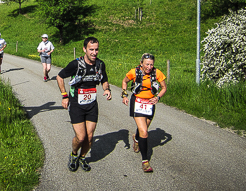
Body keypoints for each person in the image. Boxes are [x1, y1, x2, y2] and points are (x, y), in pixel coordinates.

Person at [57, 37, 112, 172]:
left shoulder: (100, 64)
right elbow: (59, 76)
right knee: (81, 137)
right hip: (76, 104)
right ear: (84, 49)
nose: (94, 52)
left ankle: (82, 157)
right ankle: (74, 154)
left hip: (92, 104)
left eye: (96, 49)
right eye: (91, 49)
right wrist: (64, 96)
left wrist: (106, 89)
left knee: (90, 136)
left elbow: (104, 79)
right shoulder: (75, 64)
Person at [121, 53, 167, 173]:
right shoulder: (134, 72)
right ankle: (145, 161)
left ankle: (136, 139)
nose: (149, 67)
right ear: (141, 63)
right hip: (137, 102)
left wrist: (158, 97)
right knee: (144, 132)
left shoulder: (157, 73)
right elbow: (124, 82)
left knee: (144, 128)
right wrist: (124, 95)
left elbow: (164, 88)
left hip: (150, 104)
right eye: (147, 64)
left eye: (151, 64)